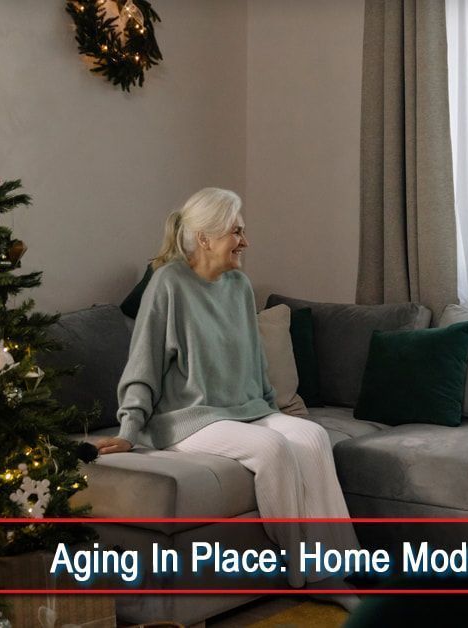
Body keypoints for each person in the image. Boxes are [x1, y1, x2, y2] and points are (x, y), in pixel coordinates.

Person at [93, 187, 360, 605]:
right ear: (205, 237)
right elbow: (142, 363)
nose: (245, 242)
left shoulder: (238, 285)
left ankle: (337, 573)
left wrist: (274, 407)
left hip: (245, 409)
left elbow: (254, 359)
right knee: (272, 448)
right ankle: (305, 572)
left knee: (312, 437)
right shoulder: (167, 284)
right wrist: (130, 427)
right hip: (186, 418)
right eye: (237, 231)